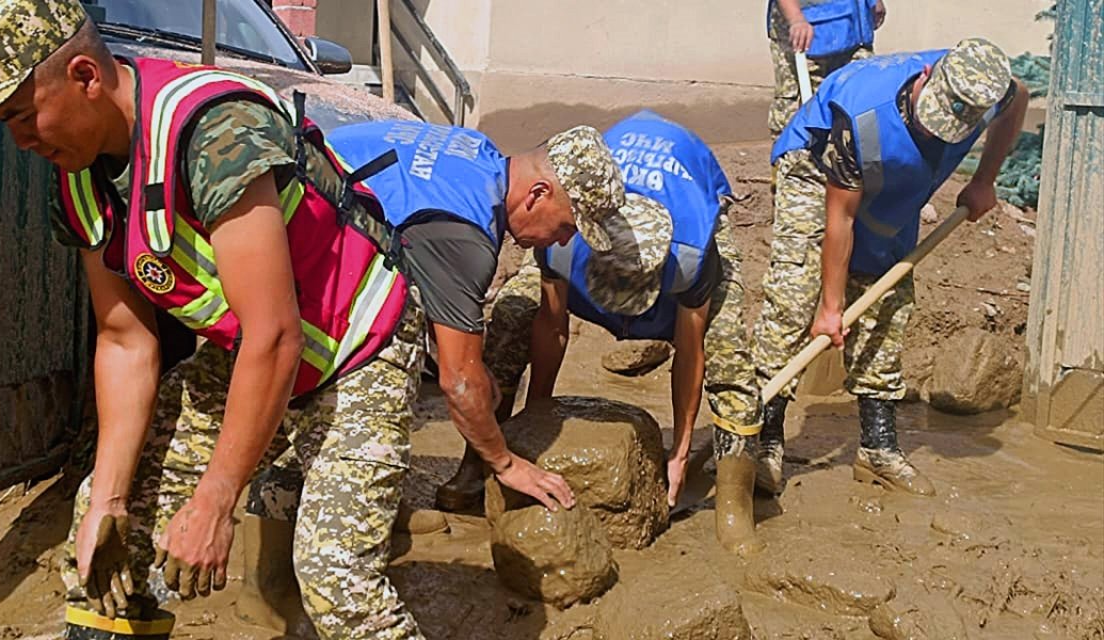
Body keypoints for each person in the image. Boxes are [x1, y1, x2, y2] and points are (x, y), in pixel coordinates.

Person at [0, 0, 434, 637]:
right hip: (251, 356)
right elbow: (124, 341)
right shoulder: (80, 177)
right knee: (107, 531)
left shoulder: (215, 133)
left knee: (336, 575)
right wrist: (111, 499)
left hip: (359, 347)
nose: (20, 139)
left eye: (21, 114)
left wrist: (215, 500)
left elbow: (276, 334)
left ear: (86, 75)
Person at [432, 111, 765, 554]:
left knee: (730, 359)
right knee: (513, 315)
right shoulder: (567, 237)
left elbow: (689, 353)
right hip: (595, 207)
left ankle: (734, 503)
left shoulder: (692, 254)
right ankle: (476, 463)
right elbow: (552, 328)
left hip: (685, 216)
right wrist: (538, 422)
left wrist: (679, 453)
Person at [753, 38, 1029, 496]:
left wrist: (985, 179)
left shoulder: (985, 88)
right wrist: (831, 306)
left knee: (886, 296)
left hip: (901, 174)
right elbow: (839, 218)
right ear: (925, 79)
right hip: (817, 167)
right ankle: (764, 439)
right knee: (794, 296)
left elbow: (1018, 94)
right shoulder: (860, 114)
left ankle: (877, 450)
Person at [324, 120, 628, 515]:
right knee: (385, 377)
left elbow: (418, 250)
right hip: (293, 253)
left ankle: (352, 500)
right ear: (539, 194)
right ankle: (352, 518)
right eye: (568, 225)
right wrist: (505, 463)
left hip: (308, 217)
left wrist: (476, 368)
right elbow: (460, 384)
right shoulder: (465, 237)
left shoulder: (478, 153)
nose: (565, 240)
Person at [767, 0, 886, 140]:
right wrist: (796, 19)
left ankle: (857, 157)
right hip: (805, 30)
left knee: (864, 101)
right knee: (799, 111)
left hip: (852, 28)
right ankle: (796, 157)